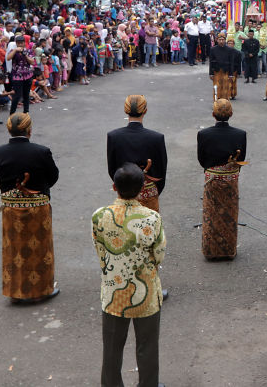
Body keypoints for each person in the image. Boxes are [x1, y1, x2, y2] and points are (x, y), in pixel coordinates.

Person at [92, 163, 166, 387]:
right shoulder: (151, 218)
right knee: (147, 346)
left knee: (112, 347)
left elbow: (101, 251)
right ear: (142, 187)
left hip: (114, 293)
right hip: (146, 292)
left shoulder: (99, 216)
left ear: (114, 187)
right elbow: (159, 253)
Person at [0, 113, 60, 303]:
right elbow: (53, 177)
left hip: (11, 208)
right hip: (38, 207)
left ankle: (15, 291)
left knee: (14, 250)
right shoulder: (41, 151)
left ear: (8, 130)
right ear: (29, 130)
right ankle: (41, 291)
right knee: (40, 250)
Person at [196, 99, 247, 260]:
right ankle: (228, 249)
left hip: (211, 178)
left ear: (213, 114)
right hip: (231, 179)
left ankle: (211, 251)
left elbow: (202, 160)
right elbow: (241, 159)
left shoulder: (204, 134)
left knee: (211, 214)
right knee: (229, 214)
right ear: (231, 114)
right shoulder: (240, 134)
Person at [106, 95, 167, 212]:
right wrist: (153, 190)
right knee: (148, 226)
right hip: (149, 190)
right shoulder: (156, 138)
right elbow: (161, 170)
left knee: (124, 226)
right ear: (145, 111)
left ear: (126, 110)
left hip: (124, 190)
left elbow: (112, 168)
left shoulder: (113, 136)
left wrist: (120, 185)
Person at [209, 33, 233, 100]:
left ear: (225, 40)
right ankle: (216, 102)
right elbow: (211, 62)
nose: (221, 41)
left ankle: (225, 102)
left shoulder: (229, 50)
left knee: (225, 87)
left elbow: (231, 62)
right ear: (217, 40)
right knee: (217, 87)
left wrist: (231, 74)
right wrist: (211, 73)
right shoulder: (213, 49)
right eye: (220, 40)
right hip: (216, 71)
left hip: (226, 71)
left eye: (223, 40)